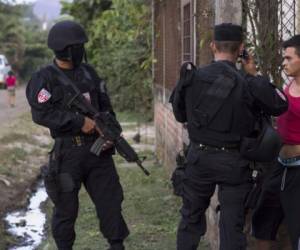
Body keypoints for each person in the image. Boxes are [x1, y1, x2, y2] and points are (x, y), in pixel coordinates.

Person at [170, 23, 288, 250]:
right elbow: (280, 104)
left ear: (213, 46)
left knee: (190, 220)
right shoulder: (248, 82)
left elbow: (179, 114)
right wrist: (253, 73)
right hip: (235, 163)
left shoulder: (192, 76)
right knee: (232, 226)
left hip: (198, 159)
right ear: (241, 48)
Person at [26, 20, 129, 250]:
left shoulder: (89, 74)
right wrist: (79, 121)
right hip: (67, 156)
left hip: (98, 153)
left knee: (111, 204)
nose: (83, 50)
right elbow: (41, 114)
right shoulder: (44, 78)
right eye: (79, 46)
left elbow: (106, 108)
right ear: (69, 49)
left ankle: (117, 244)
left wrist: (109, 131)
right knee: (65, 210)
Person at [252, 35, 300, 250]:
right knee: (263, 220)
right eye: (284, 58)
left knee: (297, 230)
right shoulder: (289, 85)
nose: (284, 63)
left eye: (289, 58)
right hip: (280, 165)